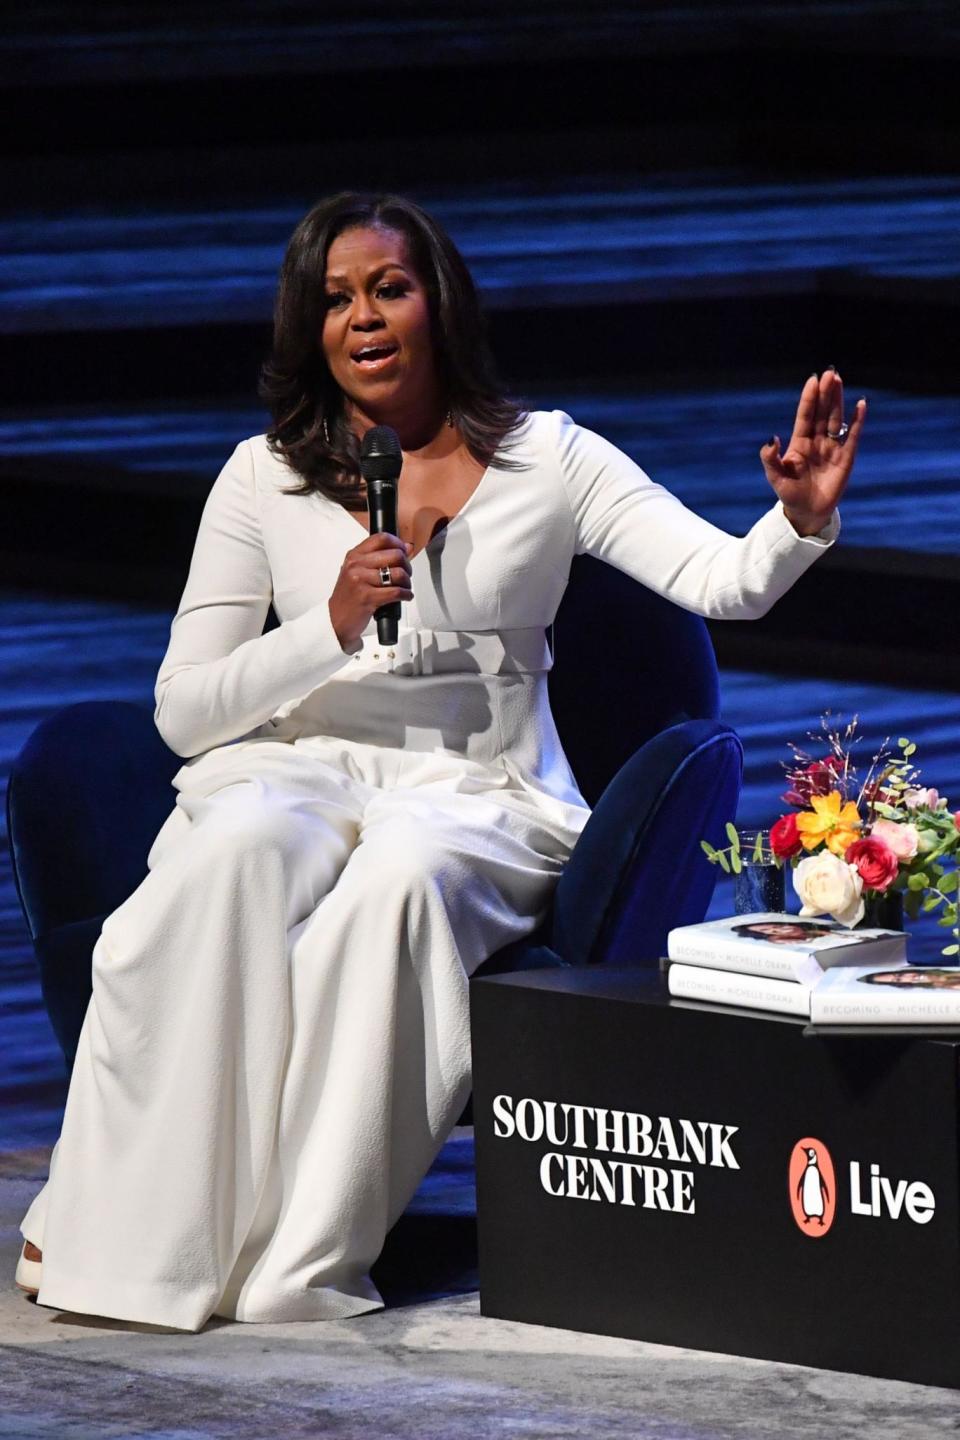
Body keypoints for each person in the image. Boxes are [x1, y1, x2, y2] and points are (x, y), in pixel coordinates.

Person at [16, 192, 866, 1331]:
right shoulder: (260, 477)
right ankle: (134, 1249)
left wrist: (795, 521)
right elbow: (181, 713)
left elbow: (725, 582)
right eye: (334, 298)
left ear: (438, 302)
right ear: (309, 327)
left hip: (479, 790)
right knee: (238, 856)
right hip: (303, 769)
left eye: (388, 287)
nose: (362, 317)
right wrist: (323, 626)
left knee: (405, 879)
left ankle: (296, 1262)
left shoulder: (549, 459)